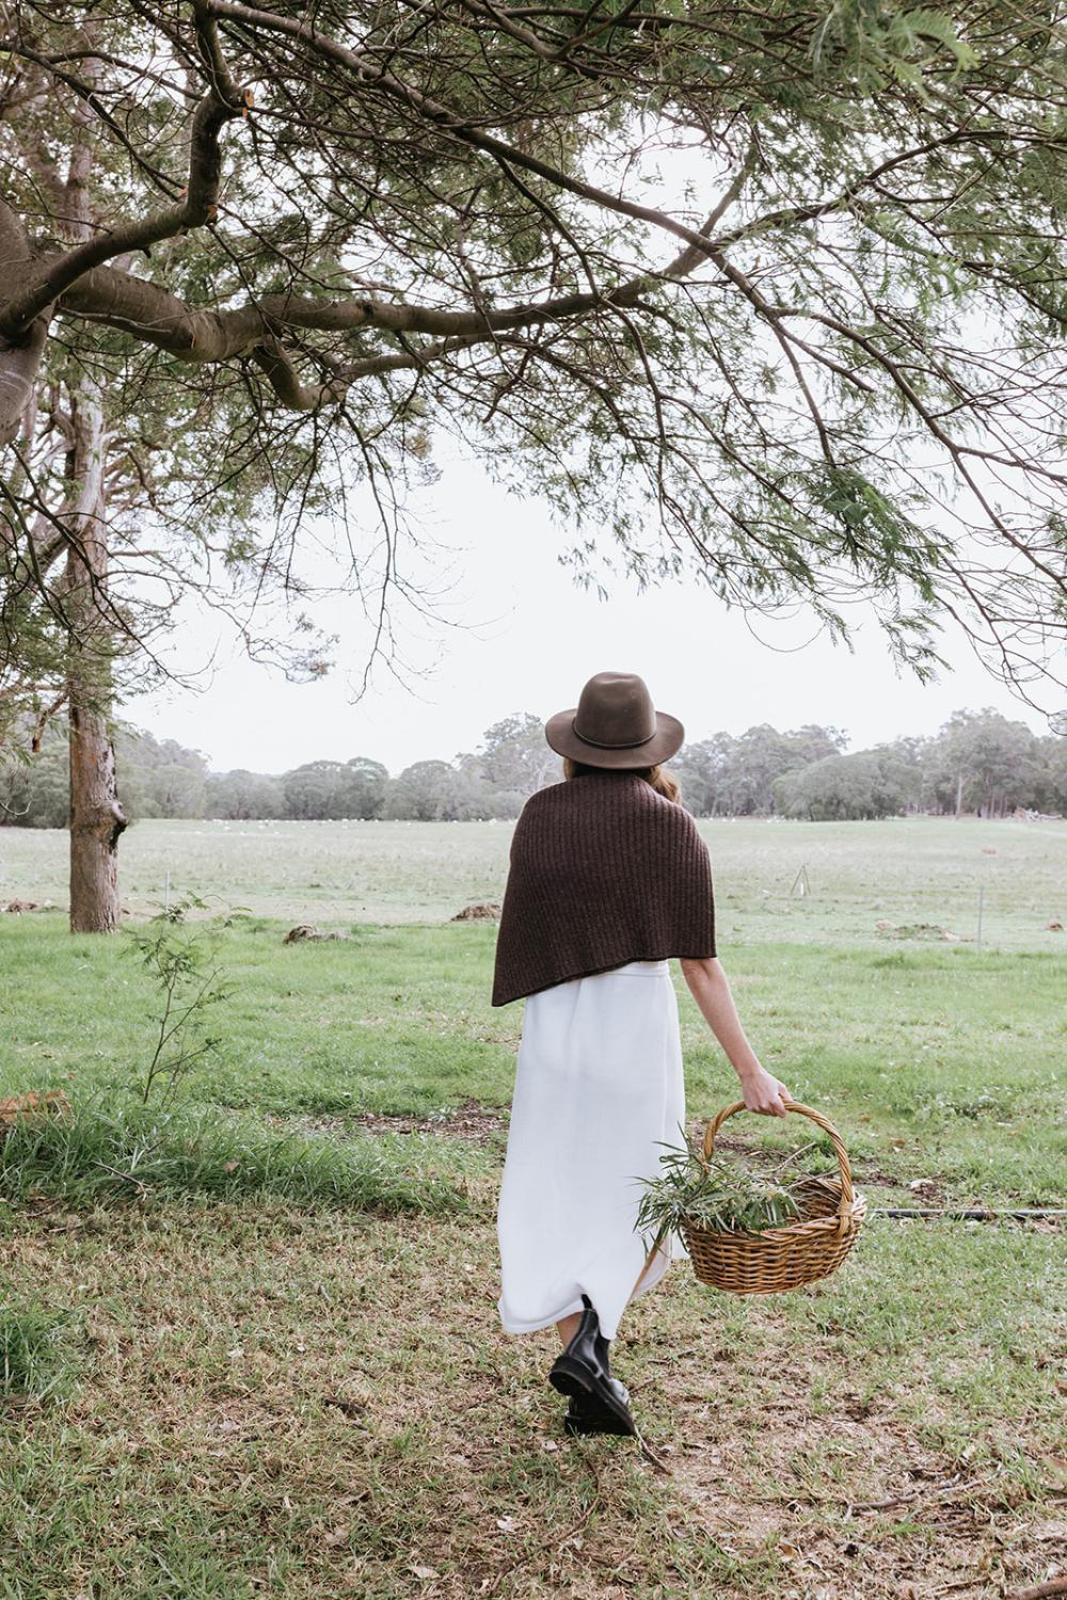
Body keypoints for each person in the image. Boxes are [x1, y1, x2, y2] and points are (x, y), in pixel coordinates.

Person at [490, 671, 792, 1438]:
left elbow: (532, 928)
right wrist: (750, 1071)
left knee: (555, 1187)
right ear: (646, 746)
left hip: (555, 1025)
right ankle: (592, 1346)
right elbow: (700, 965)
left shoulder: (540, 815)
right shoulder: (668, 824)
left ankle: (588, 1362)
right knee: (637, 1192)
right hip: (634, 1026)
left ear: (576, 746)